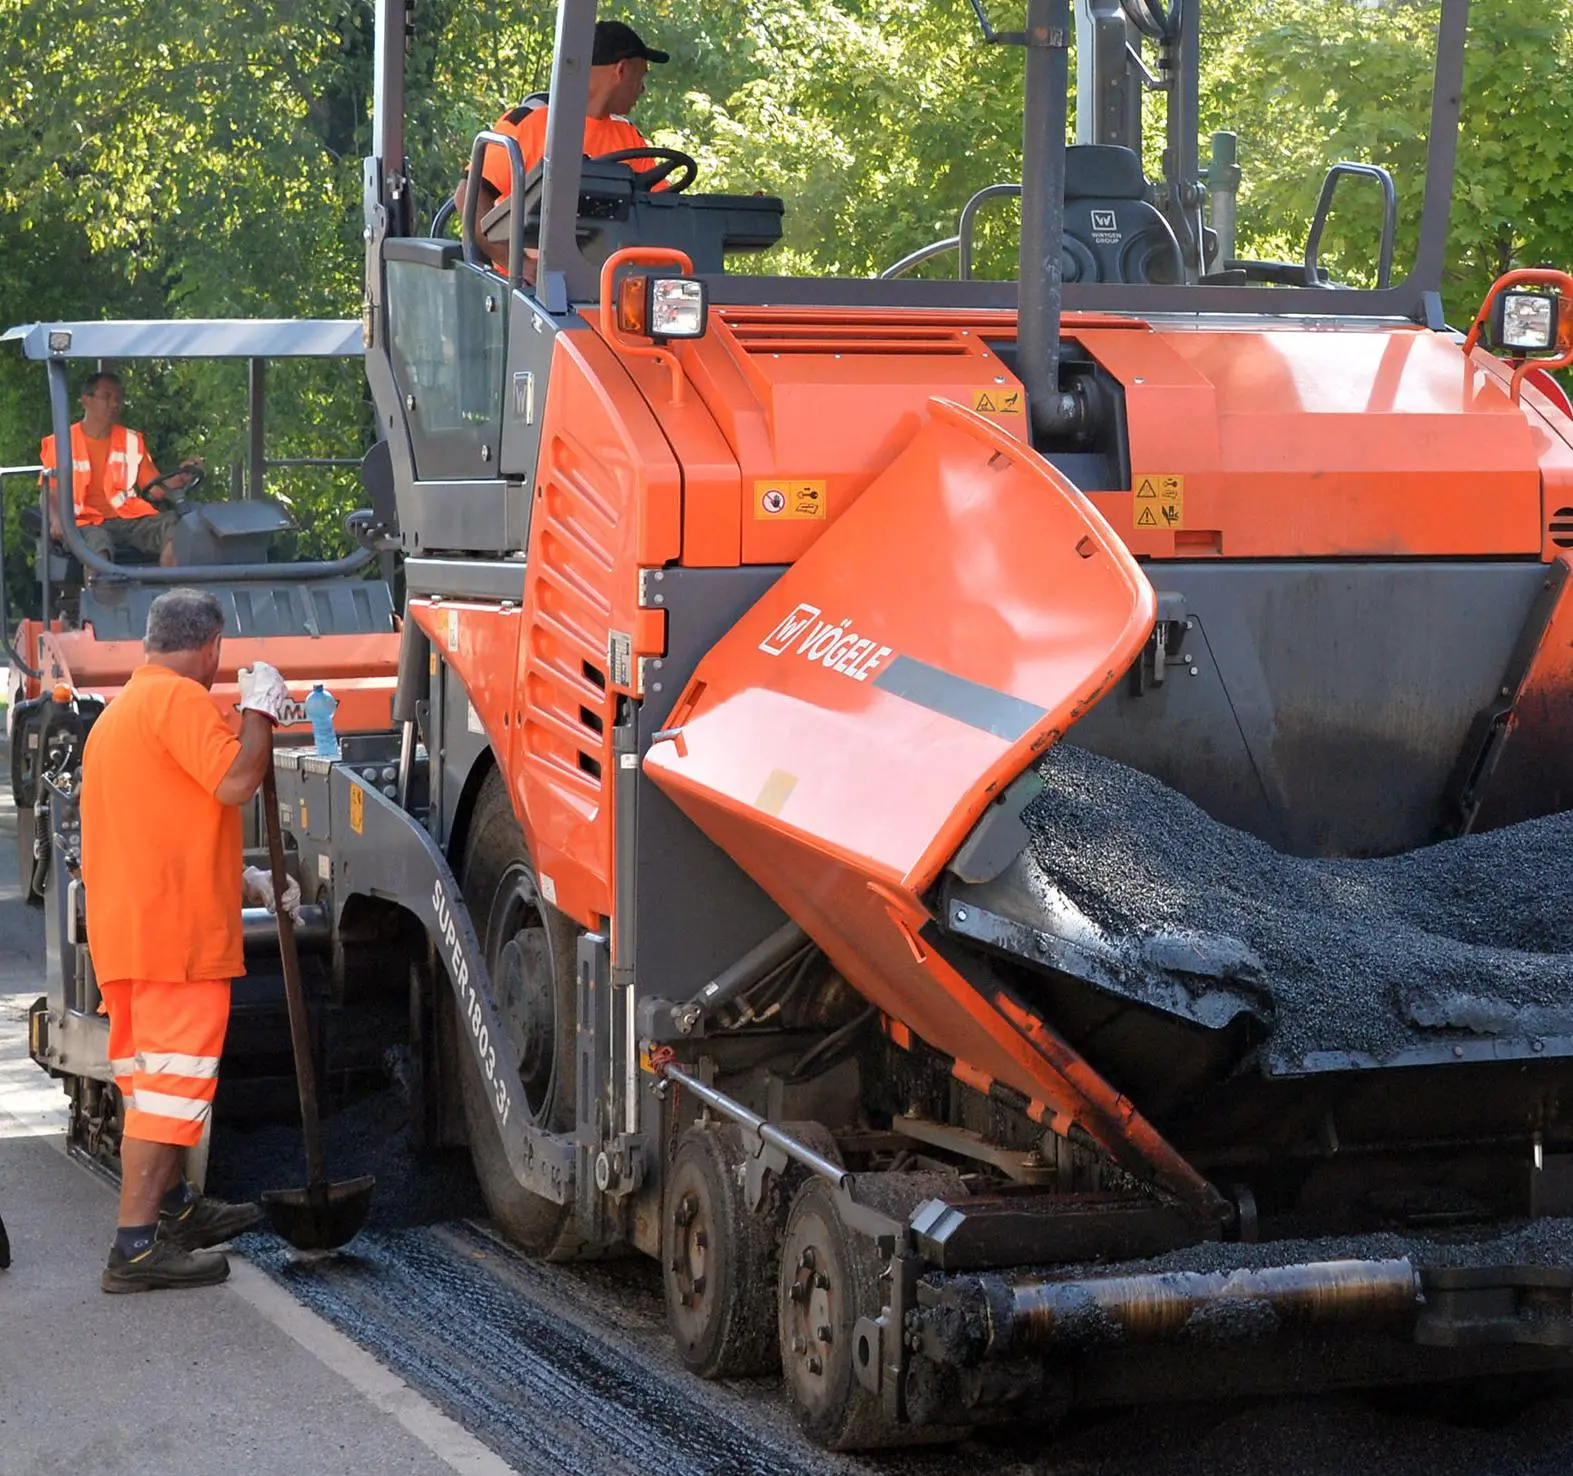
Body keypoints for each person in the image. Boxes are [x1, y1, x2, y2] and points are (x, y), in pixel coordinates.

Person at [80, 587, 298, 1293]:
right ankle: (135, 1249)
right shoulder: (177, 702)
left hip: (133, 934)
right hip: (175, 943)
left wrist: (248, 879)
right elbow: (237, 779)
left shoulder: (119, 716)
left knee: (155, 1087)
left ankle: (176, 1208)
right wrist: (260, 711)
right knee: (170, 1093)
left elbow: (164, 834)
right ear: (211, 647)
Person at [455, 19, 670, 271]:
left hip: (609, 290)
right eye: (641, 76)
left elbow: (662, 212)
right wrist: (520, 266)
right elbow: (468, 197)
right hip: (527, 296)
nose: (642, 89)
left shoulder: (630, 137)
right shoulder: (529, 123)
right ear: (621, 70)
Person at [38, 370, 201, 568]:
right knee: (98, 548)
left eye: (118, 399)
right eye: (107, 397)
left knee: (179, 528)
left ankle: (171, 593)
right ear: (86, 400)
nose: (115, 404)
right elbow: (50, 493)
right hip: (84, 522)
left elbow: (156, 488)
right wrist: (56, 521)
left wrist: (181, 477)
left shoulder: (131, 441)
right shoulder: (61, 442)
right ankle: (101, 596)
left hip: (130, 519)